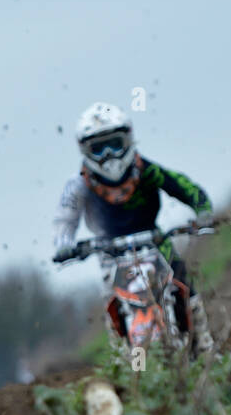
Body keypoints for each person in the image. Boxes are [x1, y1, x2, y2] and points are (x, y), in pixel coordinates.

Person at [53, 102, 215, 351]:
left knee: (187, 292)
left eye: (114, 144)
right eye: (98, 148)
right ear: (85, 151)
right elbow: (65, 217)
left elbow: (184, 186)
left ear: (128, 140)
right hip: (110, 253)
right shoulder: (78, 185)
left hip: (155, 243)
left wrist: (203, 212)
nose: (108, 155)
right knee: (113, 306)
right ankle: (125, 364)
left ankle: (206, 353)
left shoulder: (146, 171)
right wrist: (64, 244)